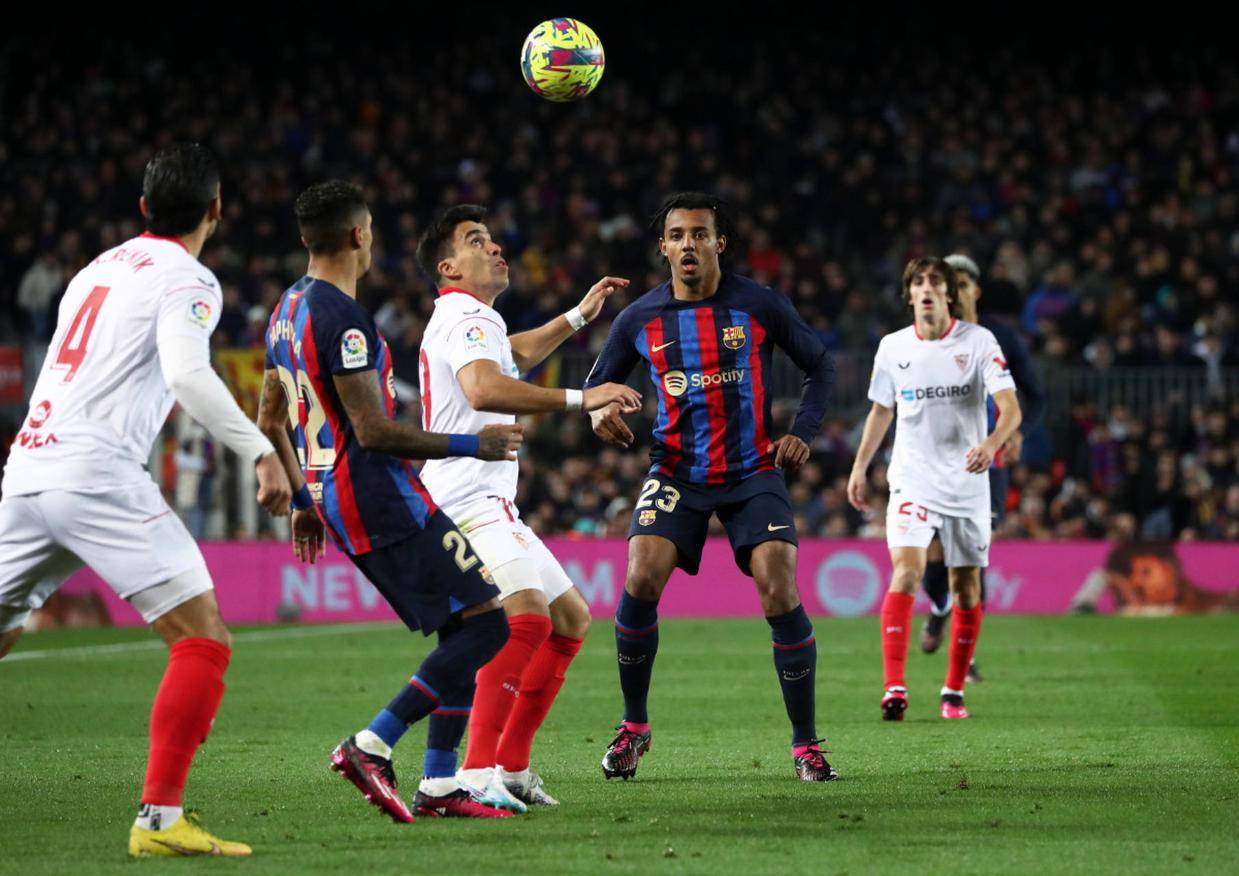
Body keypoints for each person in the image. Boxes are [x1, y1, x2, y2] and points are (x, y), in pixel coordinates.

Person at [0, 143, 294, 857]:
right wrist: (260, 450)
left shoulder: (93, 270)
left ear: (142, 207)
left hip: (27, 466)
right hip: (95, 474)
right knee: (203, 638)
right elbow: (188, 375)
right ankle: (159, 821)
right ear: (216, 209)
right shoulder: (189, 278)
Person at [257, 181, 522, 821]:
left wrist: (302, 499)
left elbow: (270, 417)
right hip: (380, 496)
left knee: (465, 624)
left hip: (338, 498)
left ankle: (440, 785)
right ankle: (371, 743)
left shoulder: (286, 311)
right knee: (489, 626)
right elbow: (373, 431)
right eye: (371, 229)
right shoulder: (343, 318)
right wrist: (474, 443)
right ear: (358, 235)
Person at [586, 192, 838, 782]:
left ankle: (805, 745)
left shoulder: (759, 304)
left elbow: (821, 365)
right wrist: (598, 412)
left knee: (778, 587)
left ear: (719, 244)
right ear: (663, 247)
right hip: (677, 471)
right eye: (678, 235)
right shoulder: (638, 319)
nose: (689, 244)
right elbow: (596, 387)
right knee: (640, 576)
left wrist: (802, 431)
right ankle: (634, 727)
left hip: (752, 470)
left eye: (700, 234)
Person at [413, 205, 642, 810]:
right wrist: (583, 396)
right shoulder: (468, 315)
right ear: (448, 267)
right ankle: (476, 770)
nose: (494, 248)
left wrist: (577, 317)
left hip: (486, 497)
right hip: (466, 498)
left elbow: (507, 355)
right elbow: (483, 387)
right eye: (476, 241)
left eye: (491, 238)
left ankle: (511, 767)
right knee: (528, 620)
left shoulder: (468, 320)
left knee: (569, 620)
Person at [847, 256, 1022, 721]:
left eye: (935, 282)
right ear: (909, 295)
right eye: (918, 282)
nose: (926, 288)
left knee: (966, 589)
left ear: (948, 293)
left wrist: (991, 444)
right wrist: (860, 467)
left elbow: (1011, 408)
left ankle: (953, 692)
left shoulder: (979, 342)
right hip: (913, 480)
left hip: (967, 482)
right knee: (906, 573)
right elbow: (881, 410)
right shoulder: (892, 347)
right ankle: (894, 688)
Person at [918, 254, 1047, 677]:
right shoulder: (928, 334)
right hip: (936, 463)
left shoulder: (1000, 337)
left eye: (961, 284)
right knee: (932, 563)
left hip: (987, 462)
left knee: (972, 556)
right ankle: (940, 606)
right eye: (946, 284)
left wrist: (1014, 432)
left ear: (976, 289)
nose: (953, 292)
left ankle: (965, 654)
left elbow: (1034, 394)